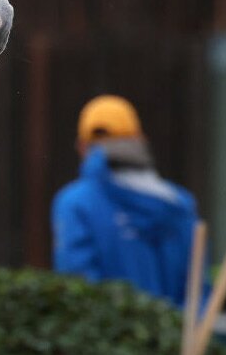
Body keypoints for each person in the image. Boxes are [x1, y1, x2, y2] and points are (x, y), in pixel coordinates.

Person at [51, 95, 202, 309]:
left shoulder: (75, 203)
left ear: (82, 147)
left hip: (109, 329)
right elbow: (197, 291)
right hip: (175, 328)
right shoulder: (178, 201)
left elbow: (78, 287)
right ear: (141, 141)